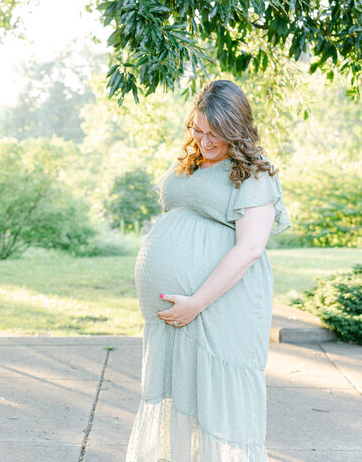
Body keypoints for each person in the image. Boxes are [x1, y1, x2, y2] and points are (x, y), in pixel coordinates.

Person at [125, 79, 291, 462]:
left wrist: (195, 303)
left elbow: (250, 248)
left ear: (236, 128)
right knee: (182, 395)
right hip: (178, 315)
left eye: (214, 133)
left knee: (216, 402)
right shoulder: (192, 161)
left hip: (217, 306)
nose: (204, 140)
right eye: (197, 130)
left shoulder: (255, 175)